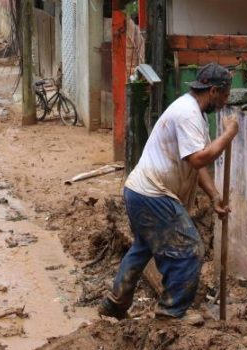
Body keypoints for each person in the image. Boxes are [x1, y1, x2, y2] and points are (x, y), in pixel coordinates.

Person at [99, 63, 237, 325]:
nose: (226, 101)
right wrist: (229, 134)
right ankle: (172, 311)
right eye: (225, 95)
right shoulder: (188, 114)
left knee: (143, 248)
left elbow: (195, 163)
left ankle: (115, 304)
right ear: (214, 91)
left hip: (139, 190)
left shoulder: (192, 111)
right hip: (153, 194)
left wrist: (214, 196)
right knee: (189, 248)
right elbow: (199, 159)